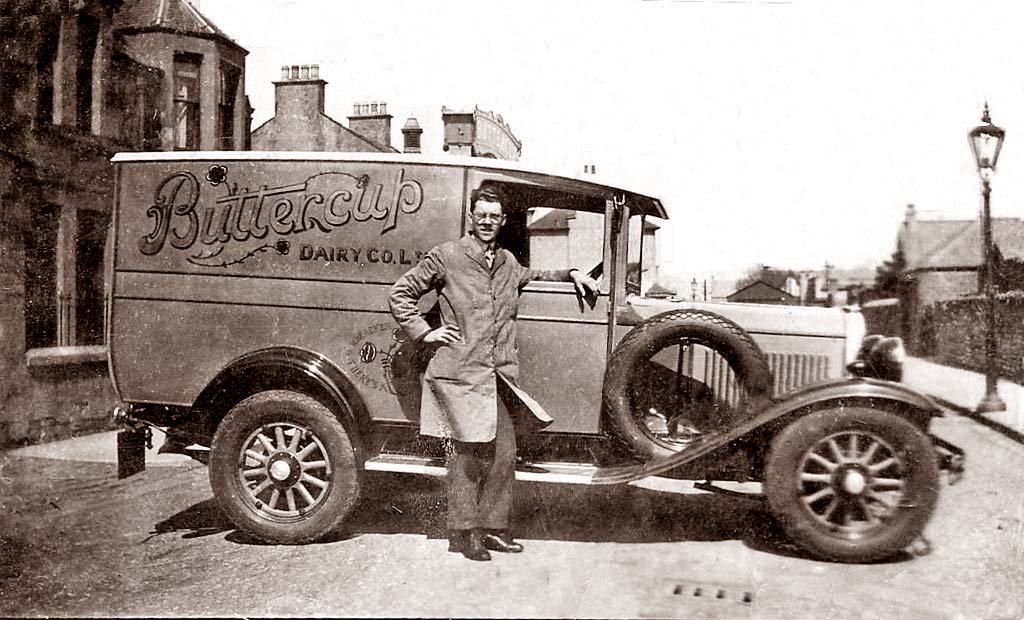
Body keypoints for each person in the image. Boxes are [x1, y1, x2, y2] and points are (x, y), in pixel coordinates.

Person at [388, 184, 599, 561]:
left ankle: (493, 528)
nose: (486, 222)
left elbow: (537, 274)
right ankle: (465, 533)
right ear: (472, 217)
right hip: (459, 374)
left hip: (497, 375)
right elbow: (400, 293)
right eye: (480, 215)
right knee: (468, 456)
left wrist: (573, 273)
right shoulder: (447, 257)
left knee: (504, 452)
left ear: (502, 221)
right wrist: (427, 332)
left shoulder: (506, 262)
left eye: (493, 216)